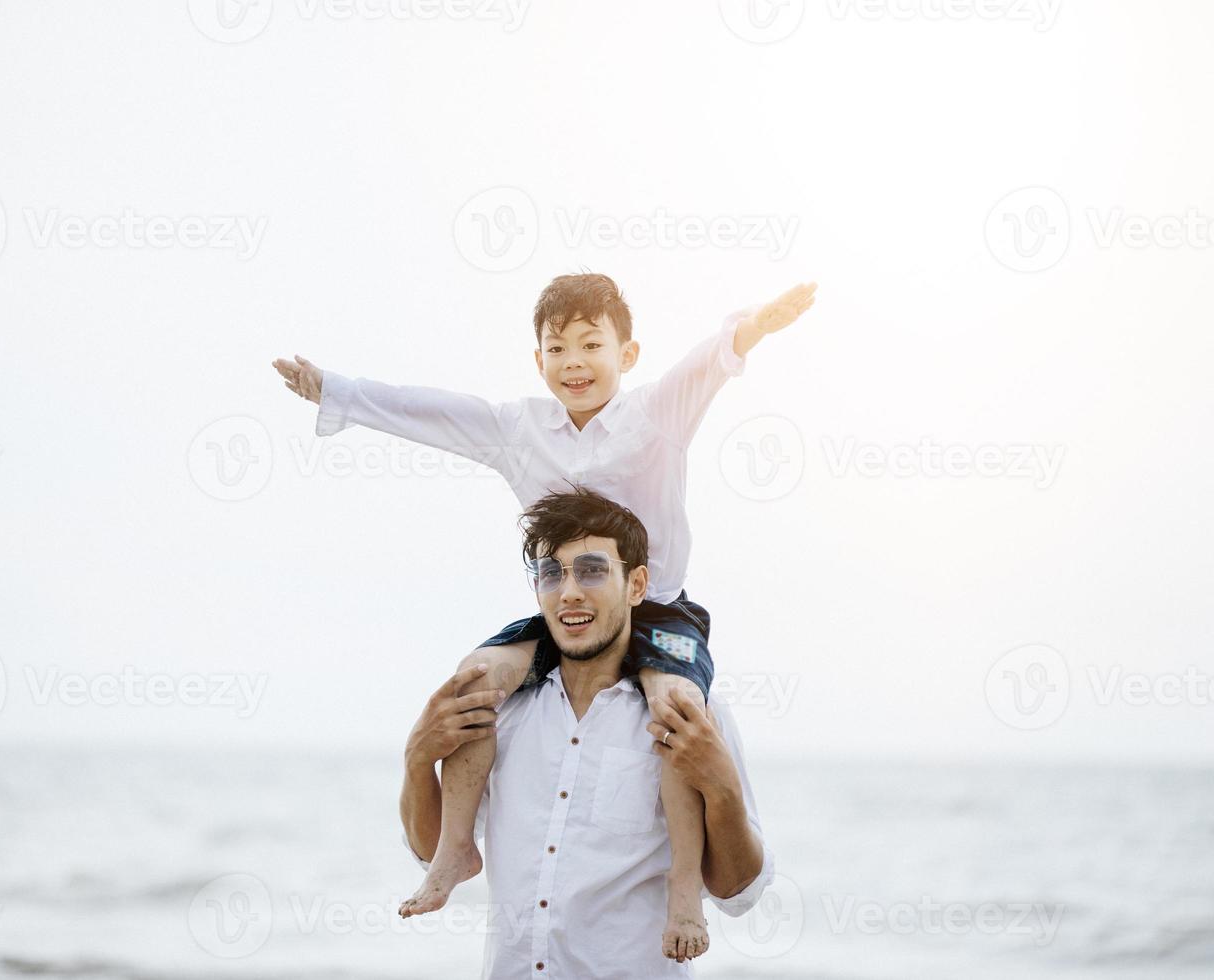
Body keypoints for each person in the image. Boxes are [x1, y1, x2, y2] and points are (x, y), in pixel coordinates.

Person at [273, 272, 815, 959]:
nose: (575, 363)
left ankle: (683, 885)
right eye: (557, 349)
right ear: (538, 361)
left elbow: (706, 364)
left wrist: (754, 325)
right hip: (564, 616)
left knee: (675, 706)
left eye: (592, 344)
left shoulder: (656, 414)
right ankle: (453, 853)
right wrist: (336, 390)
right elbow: (434, 413)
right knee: (475, 679)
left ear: (629, 353)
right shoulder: (518, 429)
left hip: (662, 613)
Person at [398, 487, 773, 976]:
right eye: (551, 573)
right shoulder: (499, 711)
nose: (569, 590)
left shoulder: (691, 713)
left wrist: (722, 788)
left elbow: (737, 891)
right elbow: (432, 849)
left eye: (593, 570)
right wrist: (417, 760)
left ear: (636, 585)